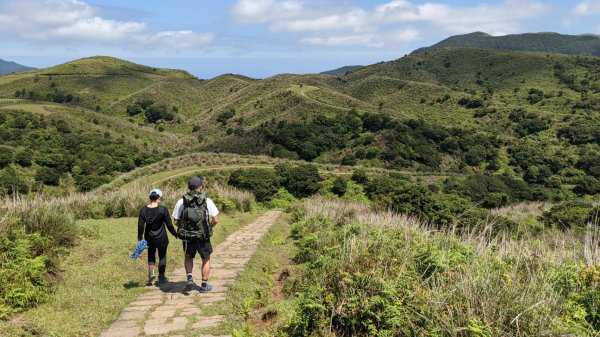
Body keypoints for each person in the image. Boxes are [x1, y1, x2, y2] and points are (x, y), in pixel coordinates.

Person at [172, 177, 219, 292]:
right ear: (201, 188)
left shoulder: (181, 201)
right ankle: (203, 286)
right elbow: (216, 220)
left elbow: (175, 221)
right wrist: (207, 229)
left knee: (188, 257)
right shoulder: (207, 200)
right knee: (206, 258)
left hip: (188, 237)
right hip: (203, 236)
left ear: (188, 188)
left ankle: (189, 278)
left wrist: (186, 229)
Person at [137, 189, 178, 285]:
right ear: (158, 198)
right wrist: (175, 234)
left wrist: (140, 238)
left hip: (149, 238)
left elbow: (140, 225)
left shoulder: (143, 210)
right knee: (162, 256)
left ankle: (151, 272)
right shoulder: (163, 209)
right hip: (162, 238)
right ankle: (161, 277)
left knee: (151, 254)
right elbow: (169, 224)